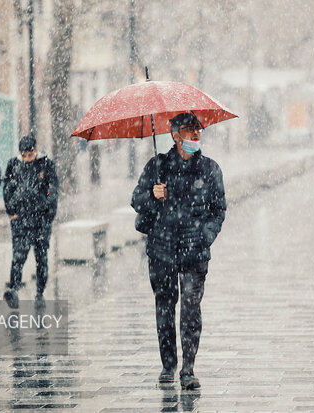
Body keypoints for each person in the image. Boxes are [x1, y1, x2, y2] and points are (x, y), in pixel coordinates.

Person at [131, 112, 227, 390]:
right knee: (164, 309)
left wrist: (205, 237)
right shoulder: (157, 166)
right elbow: (136, 200)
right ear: (175, 135)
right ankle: (168, 364)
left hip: (195, 251)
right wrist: (153, 194)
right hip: (161, 249)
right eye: (189, 130)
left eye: (199, 130)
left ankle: (188, 369)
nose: (196, 135)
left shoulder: (210, 169)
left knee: (191, 310)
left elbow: (219, 210)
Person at [3, 135, 58, 308]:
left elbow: (53, 191)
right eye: (24, 155)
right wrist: (12, 212)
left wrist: (48, 216)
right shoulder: (13, 165)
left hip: (40, 220)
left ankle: (39, 292)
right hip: (21, 219)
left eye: (29, 155)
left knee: (41, 258)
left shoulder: (46, 165)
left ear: (35, 151)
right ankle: (14, 289)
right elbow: (7, 189)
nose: (26, 159)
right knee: (18, 256)